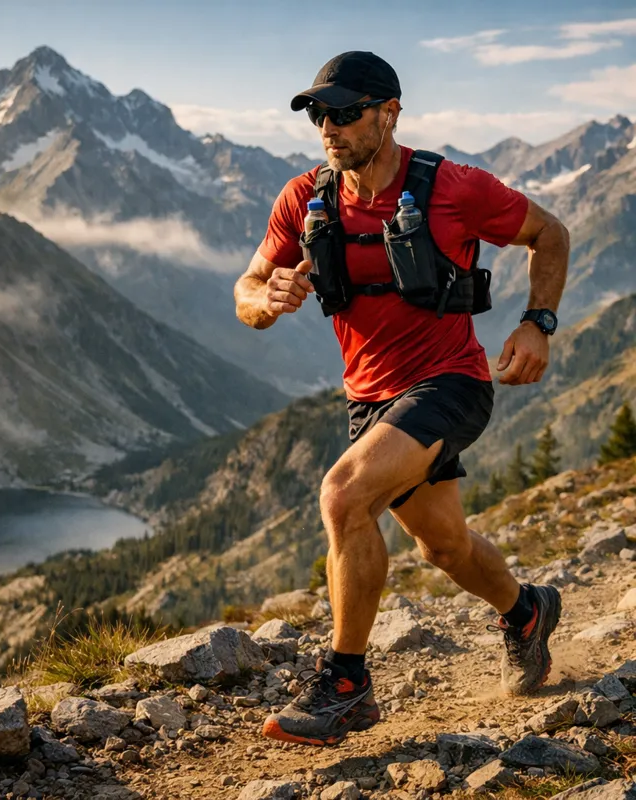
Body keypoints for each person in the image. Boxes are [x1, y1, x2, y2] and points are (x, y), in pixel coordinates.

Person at [233, 51, 570, 747]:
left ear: (390, 112)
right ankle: (526, 612)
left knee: (343, 495)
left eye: (346, 111)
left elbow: (550, 234)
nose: (329, 126)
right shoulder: (304, 198)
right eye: (320, 113)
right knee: (444, 546)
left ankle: (348, 686)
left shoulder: (455, 187)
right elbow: (248, 288)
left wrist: (538, 323)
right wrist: (262, 301)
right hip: (371, 401)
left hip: (453, 383)